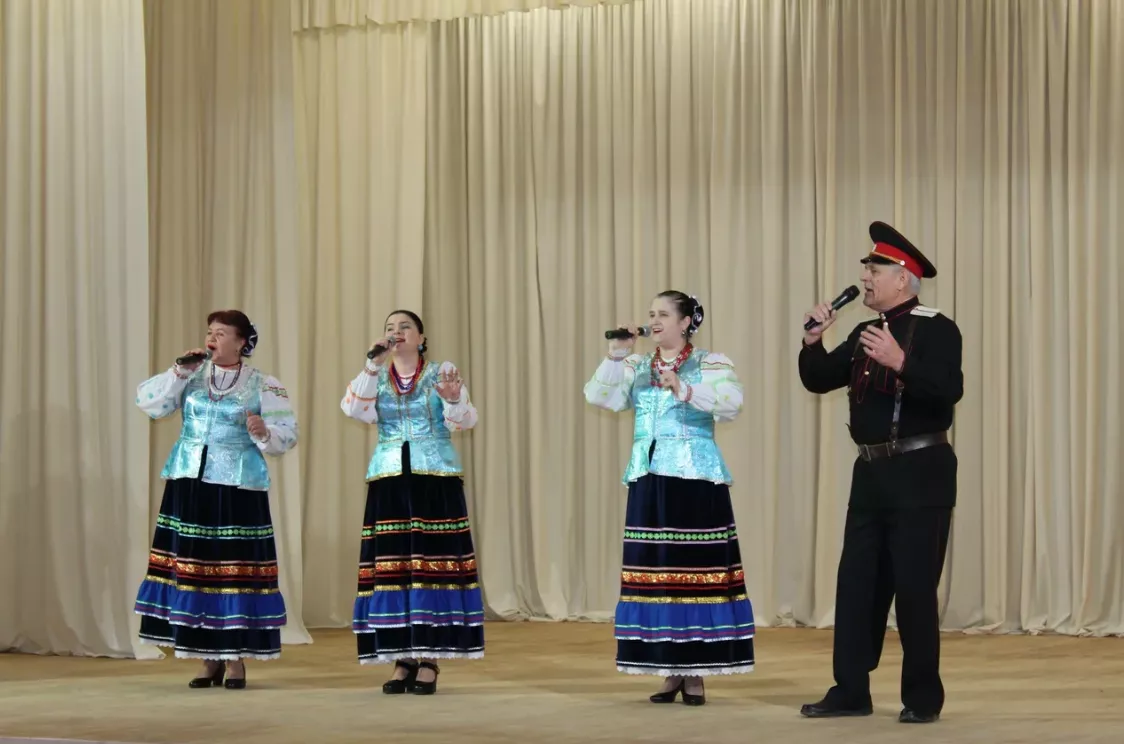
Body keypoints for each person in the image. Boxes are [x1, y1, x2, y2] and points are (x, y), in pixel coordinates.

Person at [797, 221, 964, 724]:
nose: (865, 277)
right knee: (857, 587)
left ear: (903, 277)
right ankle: (851, 691)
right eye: (866, 269)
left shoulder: (938, 328)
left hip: (920, 474)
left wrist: (902, 363)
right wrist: (812, 342)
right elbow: (819, 379)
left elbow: (948, 392)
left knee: (914, 590)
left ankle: (923, 698)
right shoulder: (863, 332)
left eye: (875, 269)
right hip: (870, 476)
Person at [583, 291, 755, 706]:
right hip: (648, 478)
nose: (655, 320)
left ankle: (695, 670)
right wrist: (616, 355)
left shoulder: (710, 363)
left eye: (663, 314)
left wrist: (685, 387)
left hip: (695, 478)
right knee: (658, 575)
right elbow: (599, 396)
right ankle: (669, 667)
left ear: (685, 322)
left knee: (694, 573)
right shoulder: (637, 365)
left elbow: (732, 403)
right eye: (651, 314)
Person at [133, 310, 298, 689]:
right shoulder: (190, 375)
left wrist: (263, 431)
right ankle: (207, 657)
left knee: (231, 571)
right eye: (210, 331)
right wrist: (178, 371)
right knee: (195, 569)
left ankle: (234, 658)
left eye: (221, 333)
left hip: (237, 488)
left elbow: (288, 434)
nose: (213, 338)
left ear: (241, 342)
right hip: (190, 482)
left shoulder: (264, 384)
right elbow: (149, 403)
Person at [341, 309, 482, 696]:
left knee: (430, 564)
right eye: (390, 327)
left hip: (434, 479)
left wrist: (453, 400)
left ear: (421, 337)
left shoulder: (441, 372)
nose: (396, 332)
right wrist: (372, 364)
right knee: (395, 567)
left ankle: (430, 658)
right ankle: (402, 657)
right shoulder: (376, 375)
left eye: (405, 327)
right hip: (389, 479)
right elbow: (354, 409)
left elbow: (465, 421)